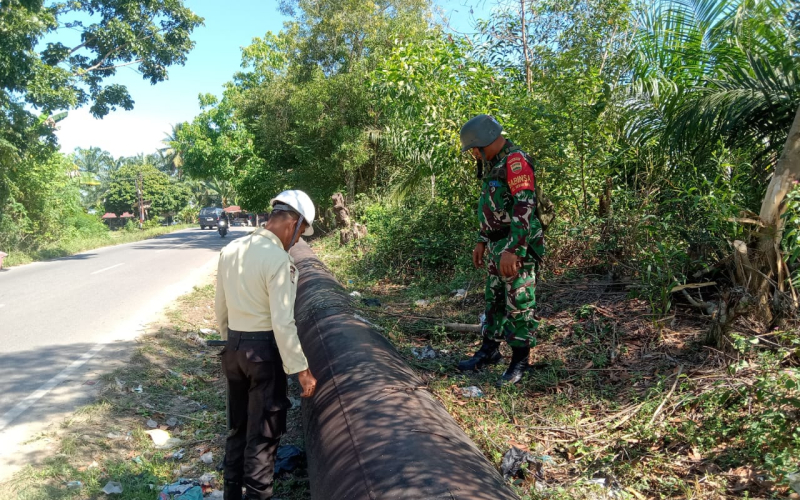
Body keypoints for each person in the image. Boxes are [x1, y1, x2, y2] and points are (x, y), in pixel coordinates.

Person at [215, 189, 318, 500]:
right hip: (263, 355)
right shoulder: (278, 260)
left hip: (233, 350)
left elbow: (221, 308)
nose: (298, 241)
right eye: (301, 233)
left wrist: (230, 344)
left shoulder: (232, 249)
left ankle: (231, 494)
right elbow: (282, 322)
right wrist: (301, 369)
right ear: (293, 223)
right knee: (263, 436)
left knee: (238, 430)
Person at [456, 114, 545, 386]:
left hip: (514, 246)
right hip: (495, 245)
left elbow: (524, 206)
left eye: (473, 148)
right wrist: (482, 240)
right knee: (493, 301)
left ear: (484, 142)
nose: (472, 154)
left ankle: (520, 359)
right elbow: (491, 209)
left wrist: (514, 250)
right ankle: (489, 350)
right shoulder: (493, 164)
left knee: (519, 303)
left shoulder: (515, 162)